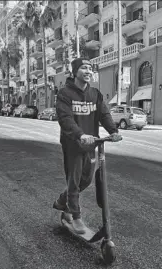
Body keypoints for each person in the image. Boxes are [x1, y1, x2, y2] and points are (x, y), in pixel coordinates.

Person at [53, 57, 122, 234]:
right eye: (84, 68)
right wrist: (80, 135)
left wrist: (113, 131)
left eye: (90, 68)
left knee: (86, 180)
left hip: (92, 144)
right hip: (73, 144)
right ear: (75, 71)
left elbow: (104, 114)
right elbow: (65, 118)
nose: (88, 71)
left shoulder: (95, 94)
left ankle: (63, 201)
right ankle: (75, 216)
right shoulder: (64, 94)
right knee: (74, 181)